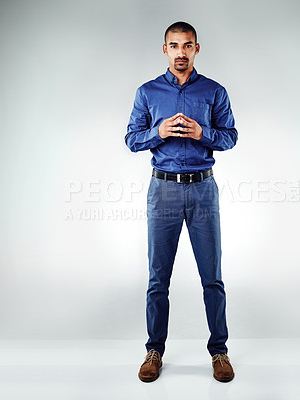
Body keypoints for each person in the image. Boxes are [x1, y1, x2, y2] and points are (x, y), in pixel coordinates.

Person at [125, 21, 238, 382]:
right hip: (164, 191)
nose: (180, 52)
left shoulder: (214, 91)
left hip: (203, 189)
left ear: (196, 49)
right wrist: (157, 133)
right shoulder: (147, 92)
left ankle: (219, 352)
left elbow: (231, 136)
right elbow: (131, 139)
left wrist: (203, 133)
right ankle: (153, 350)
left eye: (187, 46)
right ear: (164, 50)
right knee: (158, 278)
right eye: (174, 46)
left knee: (212, 278)